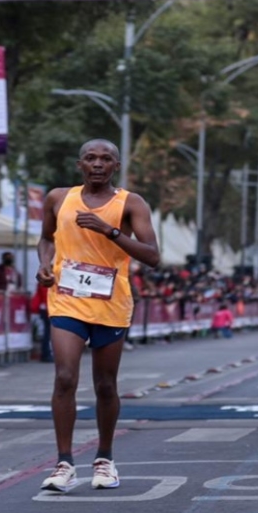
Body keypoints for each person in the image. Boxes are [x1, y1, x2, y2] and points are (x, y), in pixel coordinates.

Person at [37, 139, 160, 492]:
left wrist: (110, 230)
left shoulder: (131, 203)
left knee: (105, 385)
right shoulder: (58, 198)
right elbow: (46, 239)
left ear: (116, 166)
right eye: (90, 158)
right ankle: (64, 464)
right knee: (64, 377)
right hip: (67, 299)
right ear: (80, 164)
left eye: (106, 159)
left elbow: (152, 256)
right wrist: (45, 265)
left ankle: (104, 459)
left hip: (111, 302)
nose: (97, 164)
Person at [30, 281, 53, 363]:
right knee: (48, 332)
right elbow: (46, 295)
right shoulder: (48, 280)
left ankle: (46, 353)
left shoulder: (43, 279)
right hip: (48, 308)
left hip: (45, 308)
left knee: (47, 332)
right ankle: (46, 354)